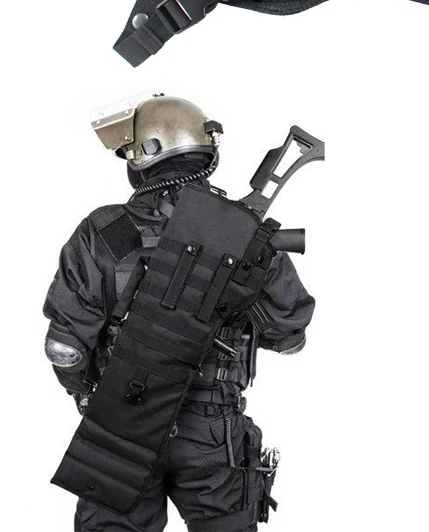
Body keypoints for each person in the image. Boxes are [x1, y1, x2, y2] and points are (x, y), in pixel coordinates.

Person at [43, 95, 315, 532]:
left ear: (140, 158)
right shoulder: (246, 233)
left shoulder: (105, 230)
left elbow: (65, 348)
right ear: (207, 152)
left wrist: (88, 393)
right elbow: (290, 335)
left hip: (121, 420)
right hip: (212, 431)